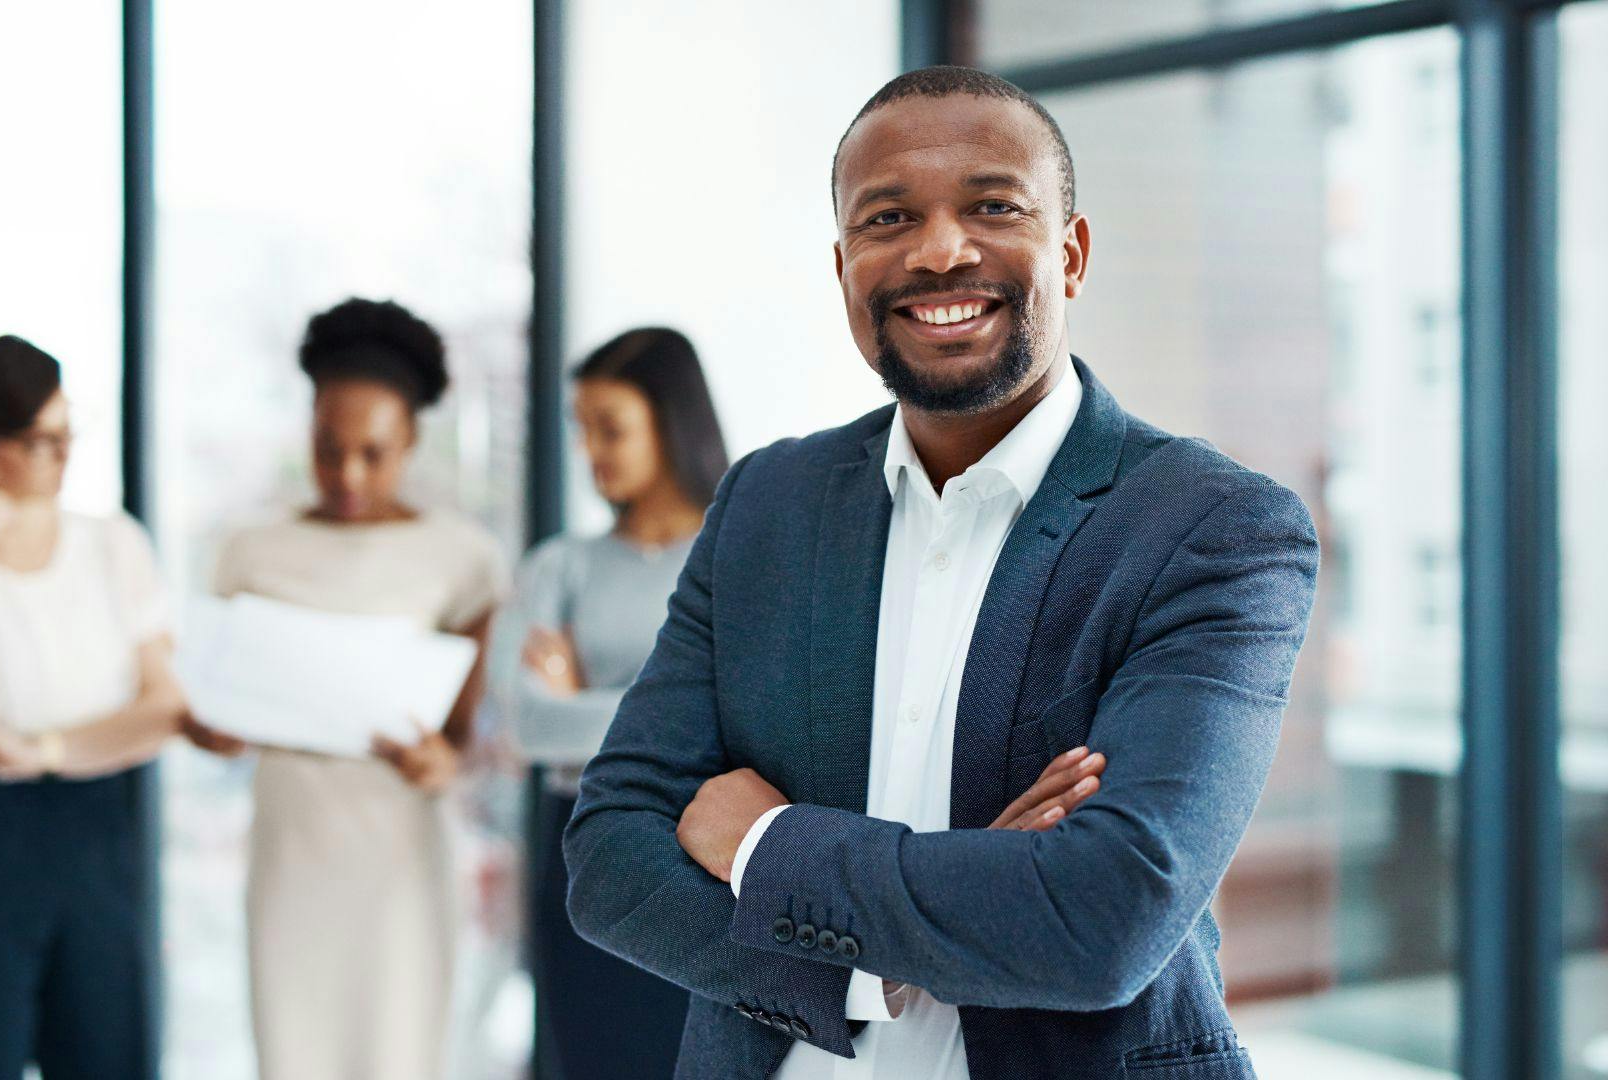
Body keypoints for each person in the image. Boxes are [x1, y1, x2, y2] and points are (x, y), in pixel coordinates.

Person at [562, 66, 1321, 1080]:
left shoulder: (1212, 527)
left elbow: (1105, 914)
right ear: (845, 271)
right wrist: (883, 964)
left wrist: (767, 848)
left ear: (1072, 251)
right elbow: (611, 855)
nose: (938, 250)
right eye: (887, 219)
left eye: (992, 206)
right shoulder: (767, 504)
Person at [206, 298, 507, 1080]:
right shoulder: (250, 552)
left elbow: (468, 739)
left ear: (411, 440)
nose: (347, 474)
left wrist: (446, 763)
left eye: (373, 452)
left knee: (398, 1056)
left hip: (399, 861)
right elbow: (215, 713)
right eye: (327, 449)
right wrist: (210, 724)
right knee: (292, 1056)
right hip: (290, 856)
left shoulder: (461, 557)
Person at [0, 334, 189, 1080]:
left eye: (67, 431)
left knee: (112, 1058)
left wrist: (44, 749)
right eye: (38, 440)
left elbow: (162, 709)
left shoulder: (114, 546)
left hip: (98, 833)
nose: (61, 455)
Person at [490, 327, 727, 1078]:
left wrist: (586, 701)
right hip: (580, 847)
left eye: (611, 428)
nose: (592, 450)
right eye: (581, 428)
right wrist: (675, 710)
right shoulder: (559, 565)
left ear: (671, 422)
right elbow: (526, 727)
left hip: (709, 857)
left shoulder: (740, 554)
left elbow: (741, 724)